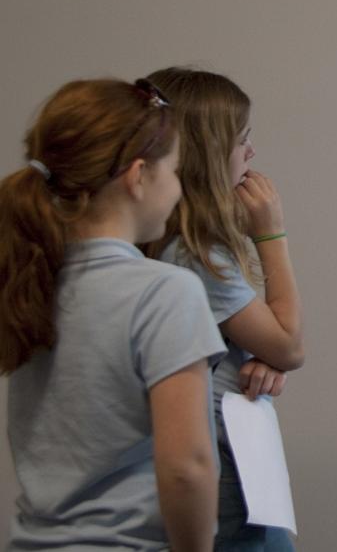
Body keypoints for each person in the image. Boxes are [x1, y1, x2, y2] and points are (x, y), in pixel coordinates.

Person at [1, 79, 224, 551]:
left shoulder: (30, 282)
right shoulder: (165, 292)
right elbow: (187, 467)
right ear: (138, 175)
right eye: (176, 171)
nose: (178, 188)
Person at [145, 67, 304, 552]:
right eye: (242, 141)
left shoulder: (163, 242)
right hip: (228, 471)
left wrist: (261, 358)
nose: (251, 153)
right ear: (208, 156)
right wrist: (271, 233)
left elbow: (267, 346)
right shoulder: (193, 253)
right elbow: (291, 344)